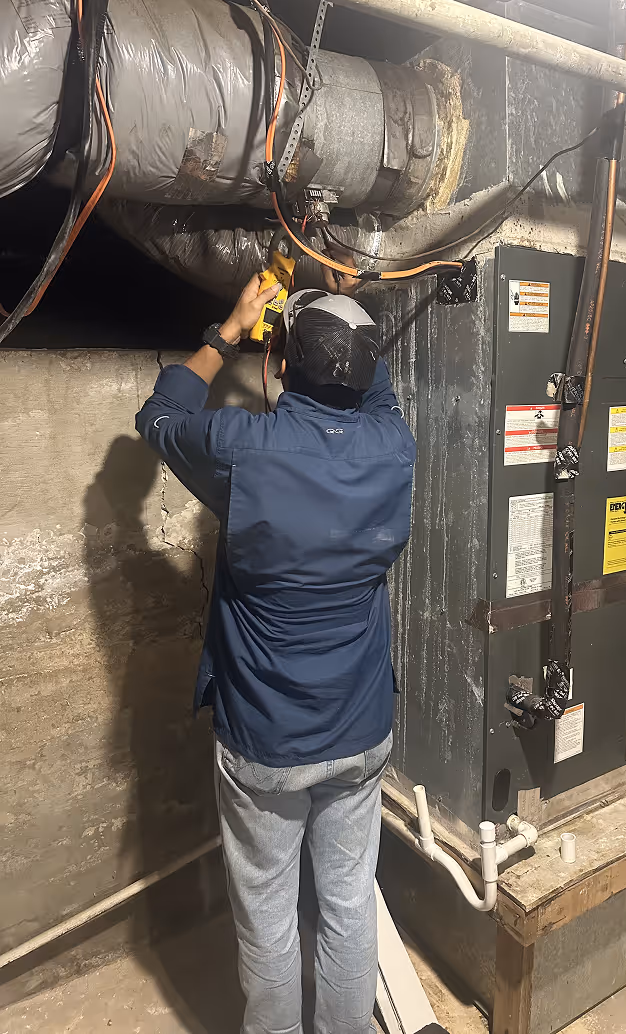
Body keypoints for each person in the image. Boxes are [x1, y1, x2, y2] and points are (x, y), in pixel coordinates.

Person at [135, 266, 415, 1034]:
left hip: (266, 744)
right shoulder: (393, 445)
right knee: (349, 904)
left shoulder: (241, 448)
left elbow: (159, 413)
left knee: (267, 914)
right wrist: (338, 304)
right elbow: (372, 381)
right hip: (359, 731)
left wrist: (227, 332)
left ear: (279, 364)